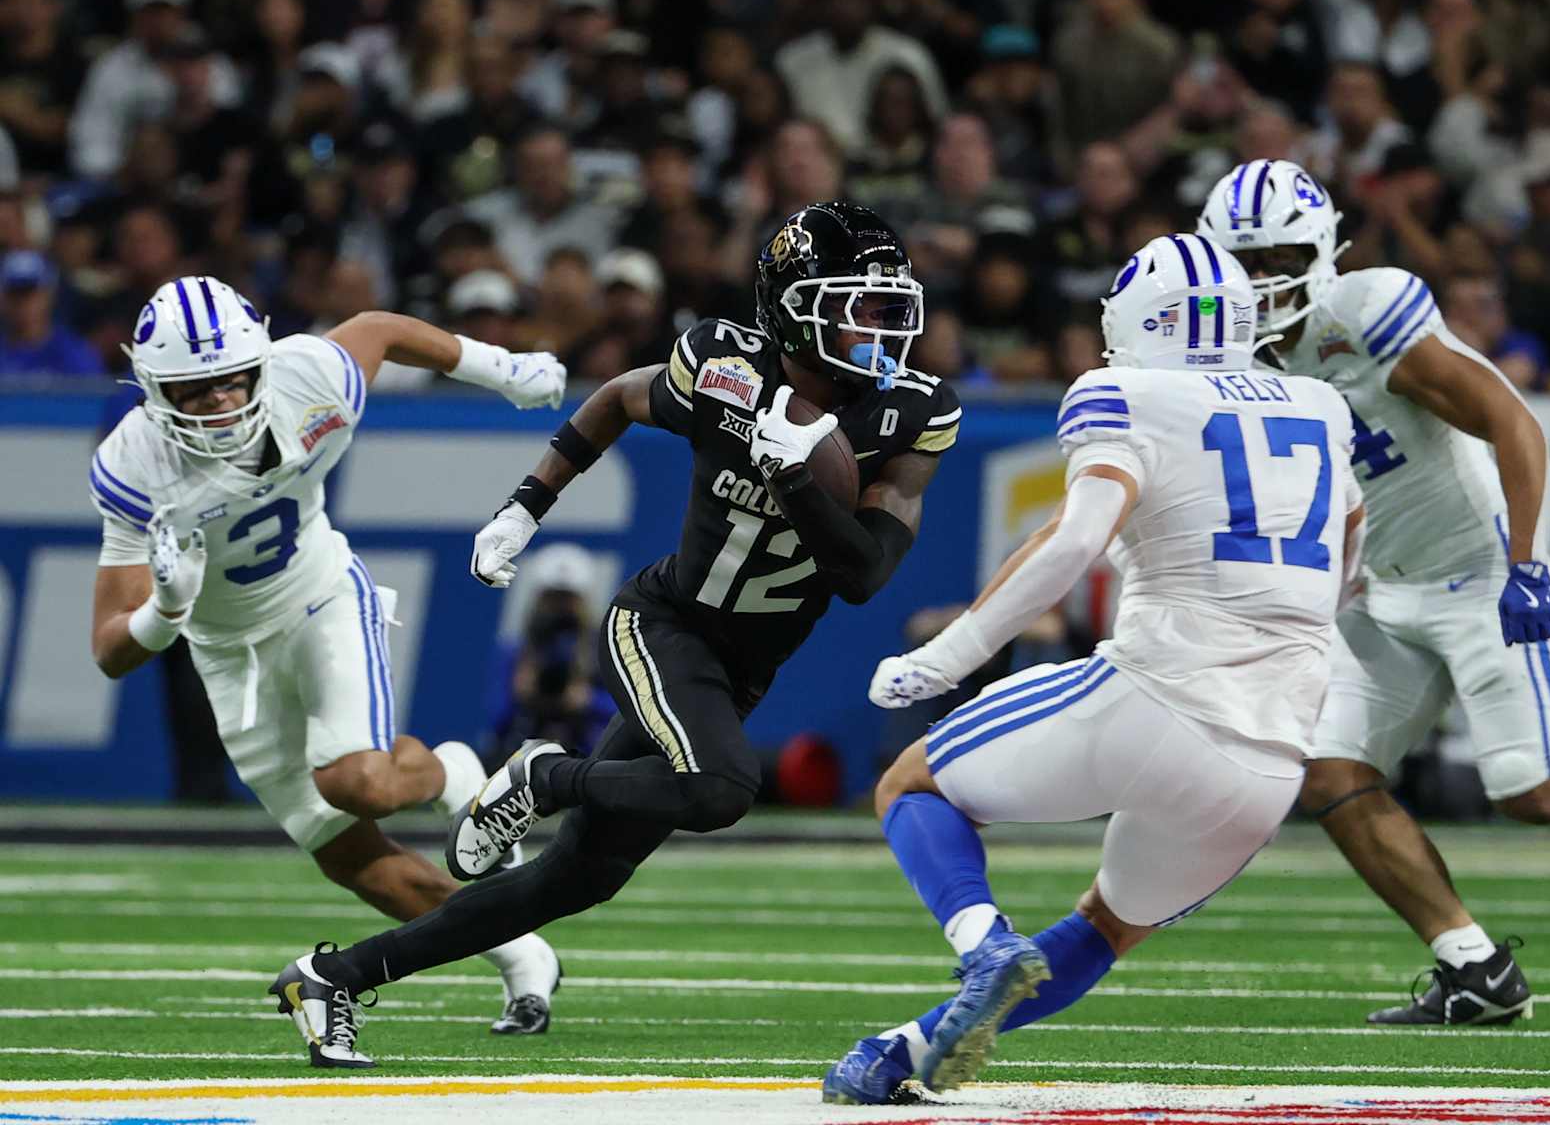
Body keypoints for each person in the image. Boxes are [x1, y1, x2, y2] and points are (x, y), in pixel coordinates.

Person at [267, 201, 961, 1067]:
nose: (881, 330)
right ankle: (543, 774)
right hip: (663, 625)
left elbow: (862, 576)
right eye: (858, 308)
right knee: (720, 788)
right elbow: (617, 399)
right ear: (791, 309)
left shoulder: (911, 411)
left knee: (577, 877)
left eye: (890, 307)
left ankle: (332, 977)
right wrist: (526, 505)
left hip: (744, 666)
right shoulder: (725, 368)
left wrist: (794, 477)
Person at [821, 234, 1361, 1103]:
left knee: (910, 784)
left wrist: (946, 657)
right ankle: (901, 1053)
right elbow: (1350, 556)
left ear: (1144, 321)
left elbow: (1074, 539)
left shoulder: (1126, 392)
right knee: (1105, 928)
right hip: (1271, 759)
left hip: (1158, 694)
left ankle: (983, 945)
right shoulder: (1321, 404)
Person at [1197, 159, 1550, 1024]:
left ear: (1322, 250)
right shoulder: (1223, 358)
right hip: (1384, 590)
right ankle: (1474, 967)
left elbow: (1511, 420)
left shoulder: (1363, 316)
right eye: (1244, 262)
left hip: (1478, 572)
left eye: (1280, 258)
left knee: (1533, 795)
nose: (1262, 281)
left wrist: (1527, 563)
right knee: (1327, 773)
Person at [88, 276, 568, 1064]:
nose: (217, 402)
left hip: (319, 597)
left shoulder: (307, 376)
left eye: (231, 380)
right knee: (350, 858)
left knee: (357, 783)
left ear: (260, 362)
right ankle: (520, 953)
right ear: (152, 389)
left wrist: (502, 370)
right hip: (227, 652)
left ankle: (452, 772)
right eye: (193, 389)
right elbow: (111, 650)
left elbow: (379, 328)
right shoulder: (134, 462)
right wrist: (165, 611)